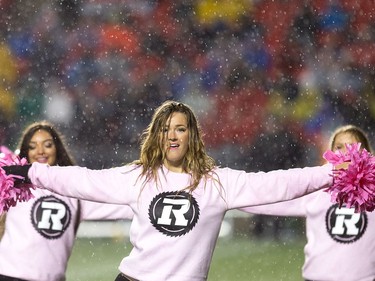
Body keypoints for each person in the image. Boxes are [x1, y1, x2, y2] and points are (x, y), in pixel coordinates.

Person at [4, 101, 338, 281]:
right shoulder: (139, 176)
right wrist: (30, 172)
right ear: (157, 137)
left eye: (180, 128)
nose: (173, 136)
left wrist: (328, 173)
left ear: (193, 135)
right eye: (165, 129)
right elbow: (82, 180)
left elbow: (277, 183)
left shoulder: (219, 182)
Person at [0, 121, 133, 281]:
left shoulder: (74, 191)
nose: (40, 151)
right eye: (33, 146)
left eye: (47, 145)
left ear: (58, 149)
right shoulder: (12, 186)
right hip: (9, 275)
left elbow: (127, 203)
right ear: (25, 152)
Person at [242, 124, 375, 281]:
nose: (346, 152)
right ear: (330, 155)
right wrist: (235, 197)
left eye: (352, 146)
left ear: (366, 153)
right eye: (339, 147)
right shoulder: (316, 189)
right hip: (317, 277)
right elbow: (271, 198)